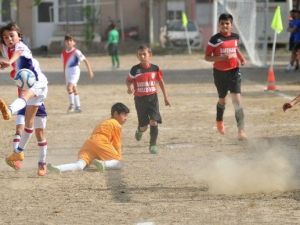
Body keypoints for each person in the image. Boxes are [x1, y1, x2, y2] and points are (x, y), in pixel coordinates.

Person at [0, 22, 49, 173]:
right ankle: (19, 152)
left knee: (25, 98)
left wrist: (6, 62)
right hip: (29, 87)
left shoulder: (21, 47)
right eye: (5, 37)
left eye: (11, 36)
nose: (8, 39)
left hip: (39, 83)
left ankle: (9, 110)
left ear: (19, 36)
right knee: (29, 125)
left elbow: (12, 59)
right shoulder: (6, 47)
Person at [47, 102, 129, 173]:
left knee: (79, 165)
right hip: (101, 142)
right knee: (119, 163)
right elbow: (117, 144)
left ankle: (58, 168)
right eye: (124, 115)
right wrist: (119, 158)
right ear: (115, 114)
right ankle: (103, 164)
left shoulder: (104, 122)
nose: (126, 118)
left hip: (89, 143)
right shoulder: (116, 124)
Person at [204, 13, 247, 140]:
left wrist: (241, 58)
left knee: (237, 101)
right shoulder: (214, 40)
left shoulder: (235, 37)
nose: (224, 26)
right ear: (219, 25)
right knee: (223, 100)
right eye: (222, 23)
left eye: (227, 23)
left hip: (234, 71)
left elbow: (235, 47)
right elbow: (207, 57)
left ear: (231, 25)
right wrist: (222, 57)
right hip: (219, 73)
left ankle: (241, 131)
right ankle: (219, 121)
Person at [126, 45, 171, 154]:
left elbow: (161, 82)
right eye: (139, 54)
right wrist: (129, 87)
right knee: (144, 127)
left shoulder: (155, 68)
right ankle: (139, 130)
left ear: (150, 55)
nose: (142, 56)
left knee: (154, 121)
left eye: (144, 54)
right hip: (140, 99)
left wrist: (166, 97)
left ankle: (153, 145)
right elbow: (128, 80)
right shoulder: (135, 69)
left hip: (152, 98)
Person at [12, 104, 48, 176]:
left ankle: (42, 163)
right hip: (23, 106)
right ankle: (16, 158)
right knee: (19, 131)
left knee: (40, 135)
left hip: (38, 107)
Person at [61, 34, 94, 113]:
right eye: (67, 41)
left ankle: (72, 105)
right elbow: (64, 64)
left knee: (69, 87)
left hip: (75, 71)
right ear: (65, 42)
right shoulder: (63, 53)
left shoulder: (76, 52)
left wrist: (90, 71)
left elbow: (85, 60)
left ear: (74, 42)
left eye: (70, 40)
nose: (68, 42)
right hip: (67, 72)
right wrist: (64, 74)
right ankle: (78, 107)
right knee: (74, 89)